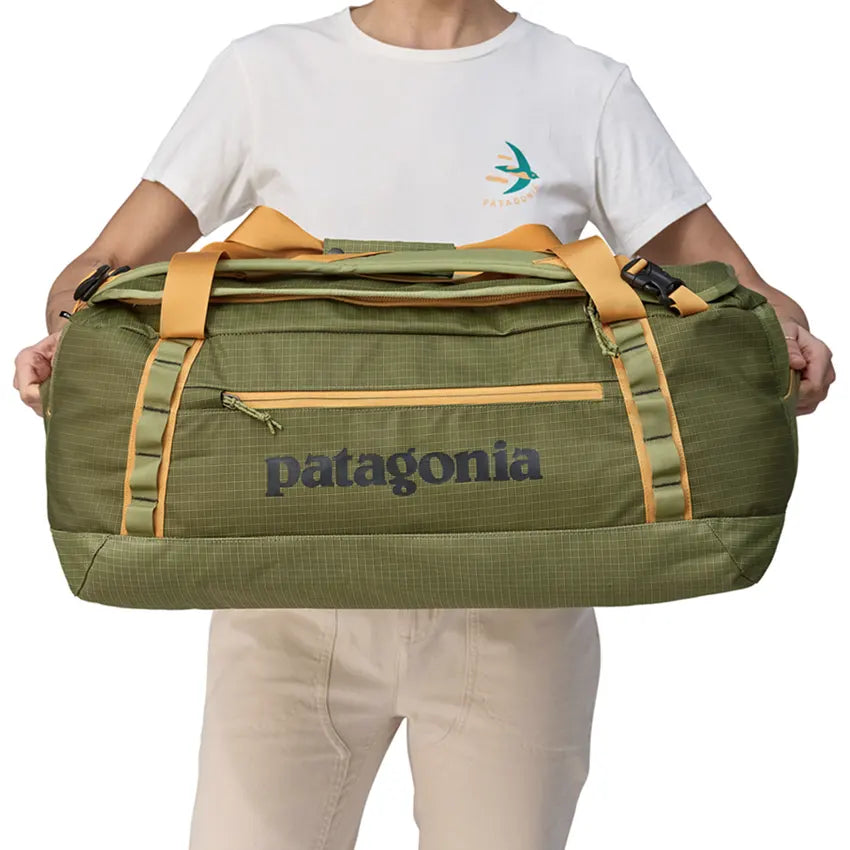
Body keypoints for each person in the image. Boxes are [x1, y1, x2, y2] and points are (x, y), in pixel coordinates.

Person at [12, 2, 836, 848]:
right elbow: (102, 268)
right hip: (284, 594)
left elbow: (736, 291)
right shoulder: (264, 72)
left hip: (521, 602)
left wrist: (791, 336)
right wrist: (72, 339)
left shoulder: (584, 86)